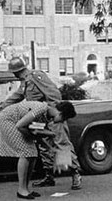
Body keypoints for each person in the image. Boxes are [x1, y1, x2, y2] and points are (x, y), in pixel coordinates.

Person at [4, 57, 82, 190]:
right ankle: (49, 175)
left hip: (51, 116)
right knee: (43, 145)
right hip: (39, 118)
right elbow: (18, 96)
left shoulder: (36, 76)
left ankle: (75, 173)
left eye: (14, 72)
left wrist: (54, 113)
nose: (14, 75)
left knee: (60, 144)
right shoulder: (25, 82)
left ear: (17, 71)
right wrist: (3, 106)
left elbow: (53, 94)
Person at [0, 99, 76, 199]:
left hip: (18, 123)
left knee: (33, 154)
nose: (62, 122)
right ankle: (21, 190)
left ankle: (25, 188)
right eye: (64, 119)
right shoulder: (41, 109)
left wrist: (50, 148)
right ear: (61, 114)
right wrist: (32, 137)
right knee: (26, 152)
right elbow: (20, 126)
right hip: (9, 120)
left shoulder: (46, 117)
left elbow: (35, 132)